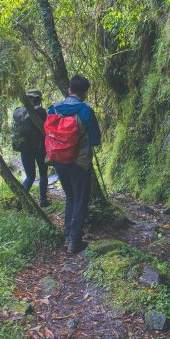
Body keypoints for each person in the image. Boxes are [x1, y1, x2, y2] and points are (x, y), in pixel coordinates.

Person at [48, 75, 101, 253]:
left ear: (69, 90)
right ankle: (75, 241)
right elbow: (95, 140)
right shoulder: (86, 111)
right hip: (79, 162)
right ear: (85, 93)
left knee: (70, 196)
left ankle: (67, 235)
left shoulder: (53, 109)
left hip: (58, 161)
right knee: (80, 199)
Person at [12, 89, 49, 206]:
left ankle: (20, 203)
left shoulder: (17, 112)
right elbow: (46, 128)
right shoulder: (41, 111)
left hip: (25, 149)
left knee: (30, 176)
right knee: (43, 174)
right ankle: (43, 201)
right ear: (38, 99)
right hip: (40, 149)